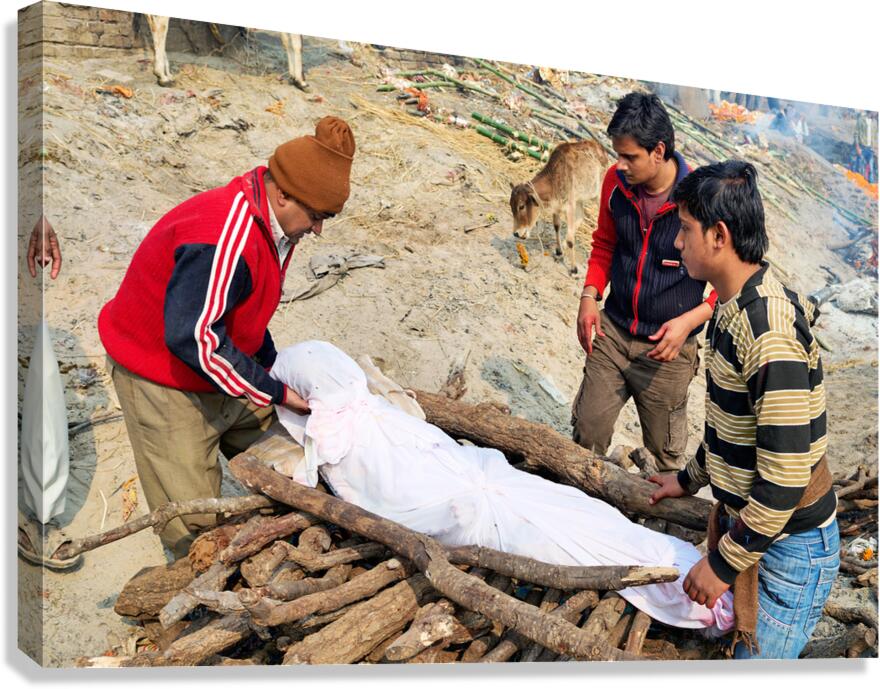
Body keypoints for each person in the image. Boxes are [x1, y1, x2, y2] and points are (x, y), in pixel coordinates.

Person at [270, 340, 735, 633]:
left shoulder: (338, 439)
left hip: (476, 491)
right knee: (573, 527)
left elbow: (379, 495)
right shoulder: (372, 417)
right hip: (472, 499)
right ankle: (676, 575)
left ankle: (677, 576)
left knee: (572, 522)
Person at [98, 116, 356, 556]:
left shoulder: (276, 225)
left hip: (212, 358)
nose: (318, 229)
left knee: (295, 450)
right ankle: (192, 599)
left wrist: (271, 366)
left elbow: (240, 307)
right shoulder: (224, 235)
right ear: (283, 194)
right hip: (161, 375)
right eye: (316, 217)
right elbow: (194, 338)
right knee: (193, 522)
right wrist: (275, 389)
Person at [648, 160, 838, 659]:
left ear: (718, 235)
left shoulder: (768, 332)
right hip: (760, 533)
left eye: (685, 230)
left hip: (790, 547)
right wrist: (688, 479)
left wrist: (723, 565)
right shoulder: (732, 311)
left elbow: (785, 476)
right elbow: (731, 429)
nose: (676, 243)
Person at [573, 92, 717, 472]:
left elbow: (727, 281)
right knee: (586, 433)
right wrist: (590, 295)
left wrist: (689, 322)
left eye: (629, 157)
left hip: (667, 352)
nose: (619, 165)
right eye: (617, 154)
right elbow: (604, 244)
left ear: (658, 151)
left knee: (665, 460)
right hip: (613, 334)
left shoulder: (702, 198)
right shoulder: (615, 184)